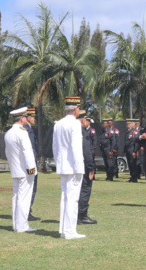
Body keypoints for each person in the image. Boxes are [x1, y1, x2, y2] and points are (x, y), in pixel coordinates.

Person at [52, 96, 86, 240]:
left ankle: (63, 229)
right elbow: (76, 148)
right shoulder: (75, 124)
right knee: (72, 199)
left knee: (65, 197)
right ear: (76, 109)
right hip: (73, 166)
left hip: (63, 165)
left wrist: (58, 162)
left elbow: (55, 147)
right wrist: (79, 167)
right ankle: (70, 231)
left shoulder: (58, 124)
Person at [5, 107, 38, 233]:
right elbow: (27, 152)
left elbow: (7, 153)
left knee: (16, 197)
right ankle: (22, 225)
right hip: (25, 170)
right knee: (24, 198)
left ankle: (16, 224)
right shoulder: (22, 132)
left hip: (15, 170)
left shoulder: (9, 133)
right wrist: (31, 169)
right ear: (22, 118)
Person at [78, 114, 97, 225]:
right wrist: (91, 167)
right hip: (84, 166)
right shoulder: (82, 132)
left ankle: (76, 215)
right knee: (85, 189)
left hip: (72, 167)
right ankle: (82, 215)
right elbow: (86, 151)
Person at [25, 107, 40, 221]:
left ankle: (27, 210)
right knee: (31, 186)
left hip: (30, 163)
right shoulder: (27, 130)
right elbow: (31, 149)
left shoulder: (27, 129)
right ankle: (27, 211)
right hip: (31, 164)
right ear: (29, 118)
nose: (34, 119)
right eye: (33, 117)